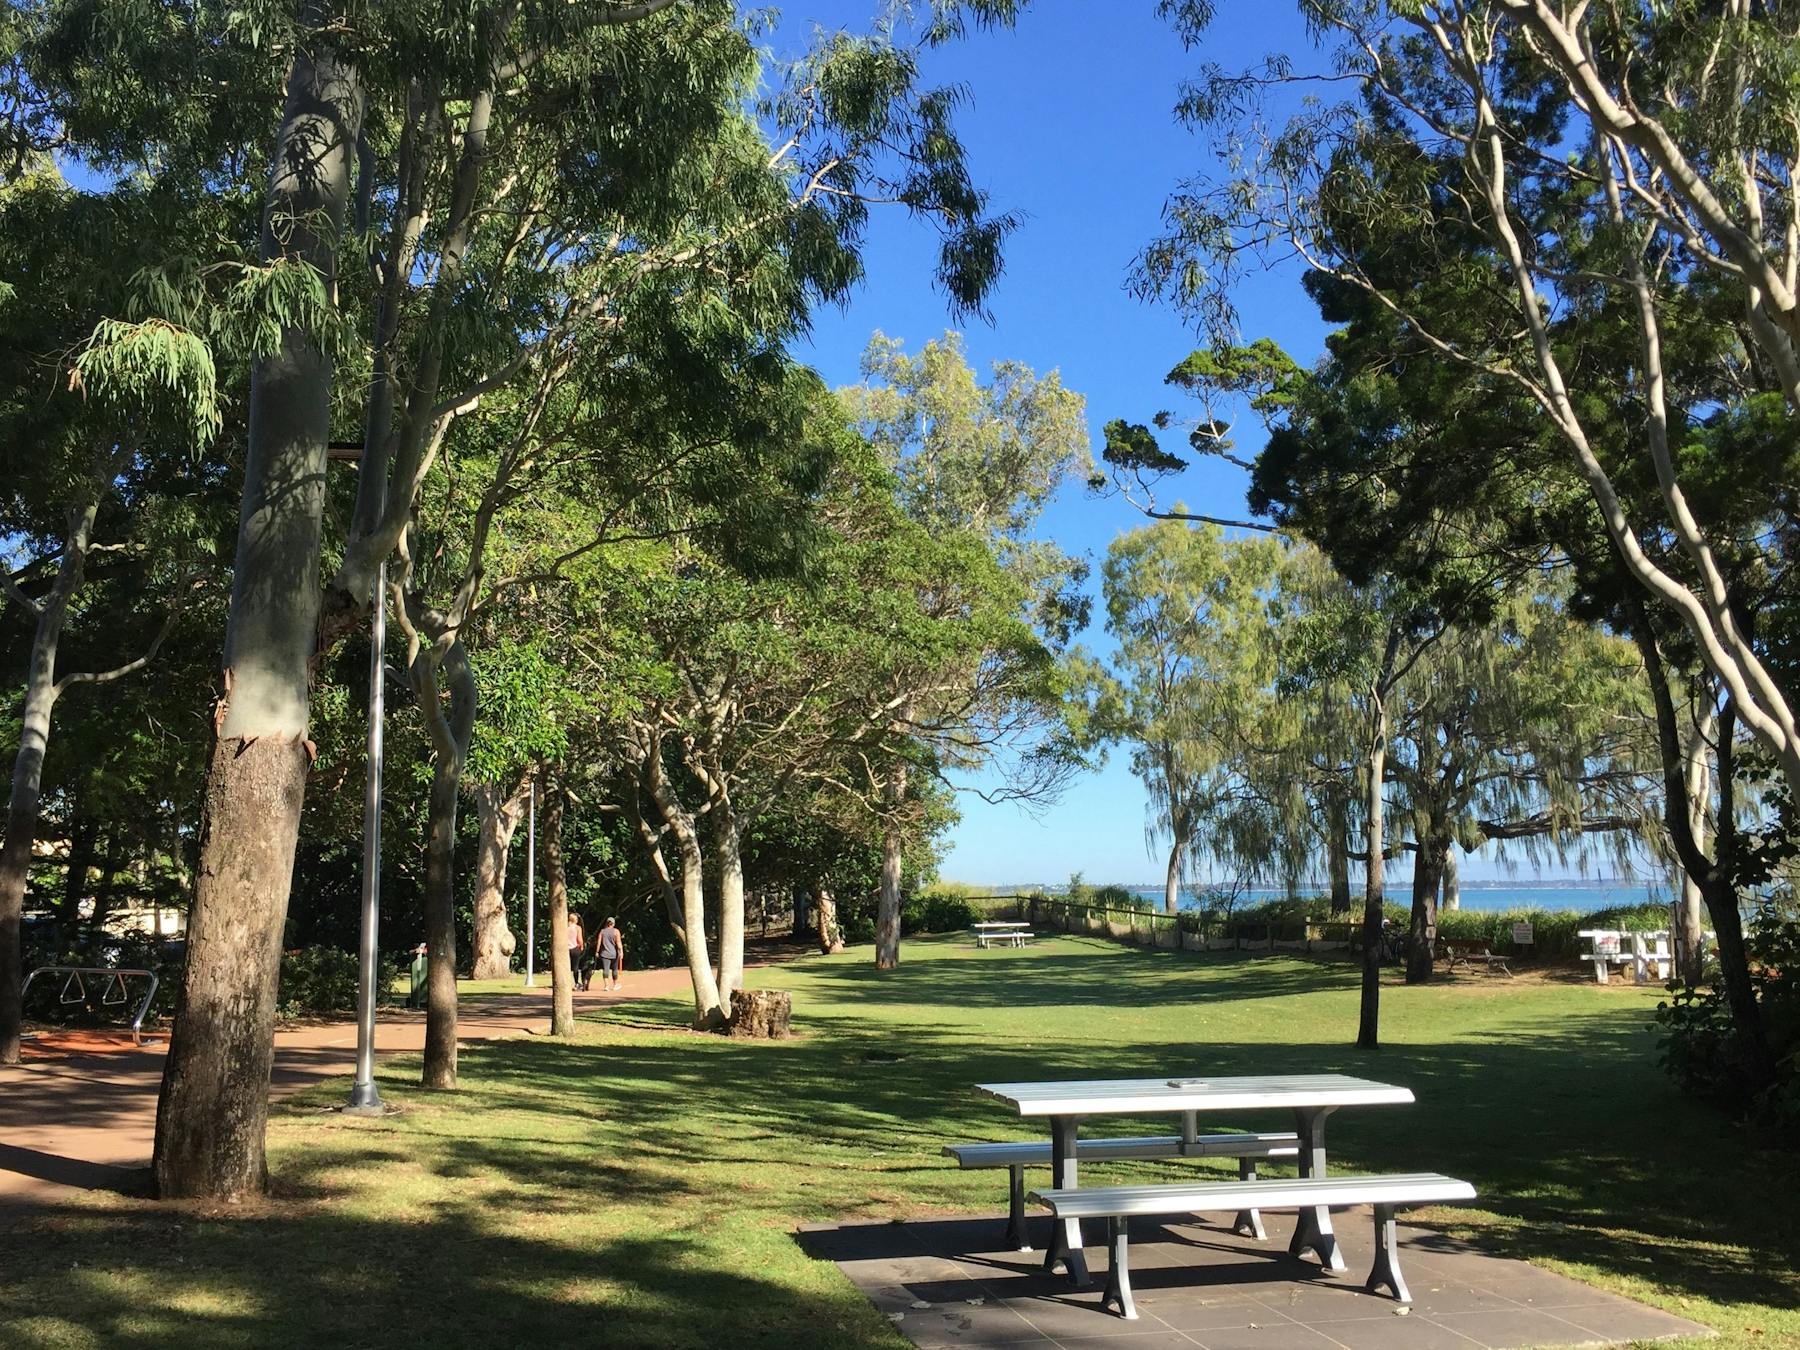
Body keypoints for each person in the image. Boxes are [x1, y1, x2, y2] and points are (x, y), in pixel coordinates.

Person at [595, 917, 625, 993]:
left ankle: (606, 986)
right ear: (613, 923)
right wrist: (621, 951)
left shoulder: (602, 931)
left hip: (604, 953)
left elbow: (599, 943)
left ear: (607, 923)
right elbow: (618, 943)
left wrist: (597, 952)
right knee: (614, 969)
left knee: (606, 969)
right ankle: (615, 985)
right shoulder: (616, 931)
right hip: (614, 953)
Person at [566, 912, 587, 991]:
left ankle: (566, 983)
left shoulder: (565, 927)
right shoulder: (578, 928)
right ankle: (576, 983)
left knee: (567, 966)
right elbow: (579, 939)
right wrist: (581, 946)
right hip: (575, 948)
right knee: (575, 966)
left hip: (566, 949)